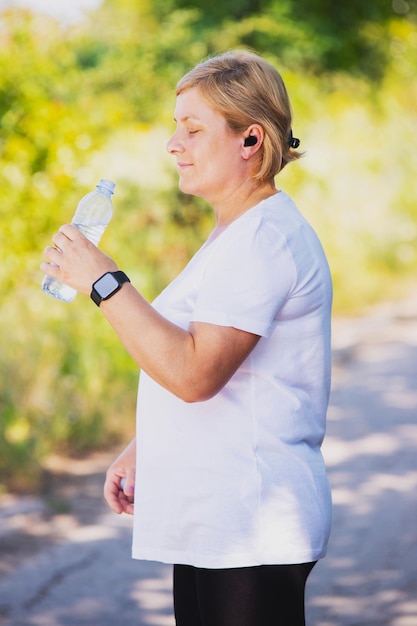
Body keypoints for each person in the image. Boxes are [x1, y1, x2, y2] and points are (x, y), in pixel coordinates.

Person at [42, 50, 332, 625]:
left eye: (193, 129)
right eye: (176, 127)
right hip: (217, 521)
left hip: (251, 526)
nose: (173, 144)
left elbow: (198, 374)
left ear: (251, 140)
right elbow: (205, 360)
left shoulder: (262, 239)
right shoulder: (235, 232)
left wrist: (104, 282)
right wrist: (145, 444)